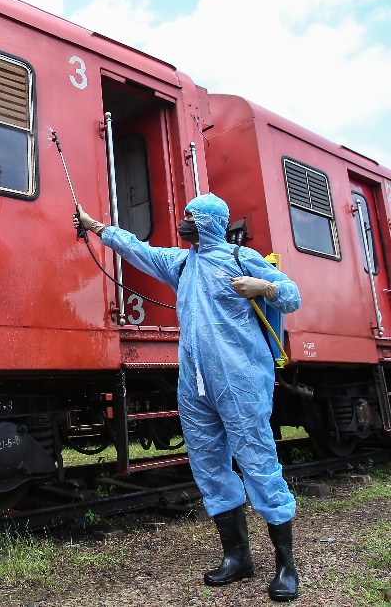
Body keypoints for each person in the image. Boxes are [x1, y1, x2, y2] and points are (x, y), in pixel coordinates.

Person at [73, 192, 301, 602]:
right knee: (209, 465)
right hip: (195, 386)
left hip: (241, 383)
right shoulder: (183, 265)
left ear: (212, 222)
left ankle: (286, 565)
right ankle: (238, 557)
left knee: (258, 461)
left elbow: (292, 295)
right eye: (185, 216)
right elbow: (137, 249)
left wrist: (263, 285)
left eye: (192, 217)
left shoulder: (239, 259)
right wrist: (95, 228)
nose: (184, 223)